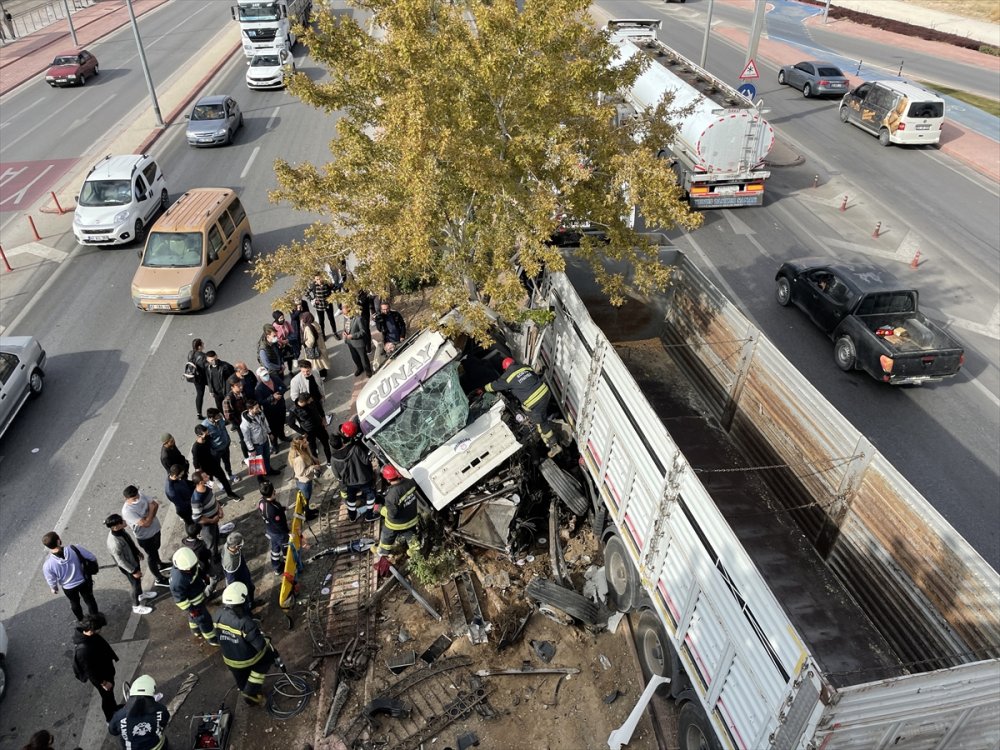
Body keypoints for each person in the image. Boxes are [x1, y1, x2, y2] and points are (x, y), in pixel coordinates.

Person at [485, 357, 562, 457]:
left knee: (541, 423)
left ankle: (554, 445)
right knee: (528, 408)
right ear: (514, 362)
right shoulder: (525, 367)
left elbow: (493, 386)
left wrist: (484, 387)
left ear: (505, 369)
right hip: (545, 393)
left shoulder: (507, 377)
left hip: (534, 402)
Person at [215, 582, 276, 706]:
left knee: (241, 678)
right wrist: (267, 640)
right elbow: (260, 645)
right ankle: (251, 690)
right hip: (248, 660)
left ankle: (246, 694)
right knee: (267, 657)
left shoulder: (218, 614)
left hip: (229, 660)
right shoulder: (245, 622)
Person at [42, 532, 101, 623]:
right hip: (83, 581)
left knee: (74, 603)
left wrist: (54, 588)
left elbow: (51, 579)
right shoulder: (74, 549)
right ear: (58, 541)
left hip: (68, 587)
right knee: (89, 600)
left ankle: (81, 620)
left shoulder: (48, 565)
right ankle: (95, 619)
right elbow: (92, 557)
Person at [73, 614, 122, 721]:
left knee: (110, 695)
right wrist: (104, 683)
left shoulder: (89, 636)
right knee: (106, 697)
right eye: (99, 628)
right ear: (91, 630)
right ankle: (110, 718)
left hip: (105, 670)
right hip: (102, 677)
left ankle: (114, 708)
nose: (100, 631)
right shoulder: (83, 650)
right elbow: (90, 672)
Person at [105, 515, 157, 615]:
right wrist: (133, 571)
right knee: (135, 585)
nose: (124, 521)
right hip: (129, 566)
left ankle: (141, 594)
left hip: (133, 560)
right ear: (115, 527)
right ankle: (136, 606)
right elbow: (121, 561)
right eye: (121, 522)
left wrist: (137, 552)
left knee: (137, 582)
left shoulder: (120, 531)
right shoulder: (114, 543)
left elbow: (129, 542)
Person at [121, 486, 170, 588]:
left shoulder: (141, 495)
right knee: (151, 556)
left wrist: (149, 516)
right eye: (134, 499)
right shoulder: (127, 511)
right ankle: (158, 578)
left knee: (157, 548)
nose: (137, 499)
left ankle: (160, 564)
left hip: (155, 529)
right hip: (145, 537)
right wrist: (150, 512)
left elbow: (155, 505)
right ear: (126, 499)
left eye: (137, 496)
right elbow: (145, 524)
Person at [169, 547, 218, 645]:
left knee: (194, 618)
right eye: (187, 569)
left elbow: (196, 571)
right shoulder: (177, 581)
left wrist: (204, 577)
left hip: (197, 596)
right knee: (204, 620)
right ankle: (212, 638)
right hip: (193, 603)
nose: (189, 570)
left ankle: (196, 630)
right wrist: (192, 610)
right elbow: (180, 600)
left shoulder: (189, 565)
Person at [108, 674, 171, 749]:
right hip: (157, 746)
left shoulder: (120, 716)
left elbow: (112, 731)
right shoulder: (160, 709)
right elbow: (164, 721)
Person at [331, 421, 376, 521]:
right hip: (363, 478)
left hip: (349, 482)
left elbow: (337, 475)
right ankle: (369, 515)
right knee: (371, 495)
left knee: (351, 499)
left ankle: (352, 516)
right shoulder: (355, 448)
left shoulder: (333, 459)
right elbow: (366, 461)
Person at [376, 465, 421, 558]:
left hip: (398, 523)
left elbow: (392, 515)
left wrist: (380, 509)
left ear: (387, 480)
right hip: (412, 518)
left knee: (387, 532)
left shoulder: (391, 497)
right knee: (410, 533)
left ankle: (384, 551)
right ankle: (416, 550)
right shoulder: (410, 482)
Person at [192, 425, 239, 499]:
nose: (207, 434)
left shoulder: (207, 438)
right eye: (204, 433)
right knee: (209, 485)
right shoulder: (196, 448)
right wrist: (201, 474)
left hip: (214, 464)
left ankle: (230, 493)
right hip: (206, 470)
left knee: (223, 479)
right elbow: (195, 463)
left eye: (206, 431)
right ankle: (213, 500)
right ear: (198, 435)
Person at [191, 471, 225, 564]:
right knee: (211, 544)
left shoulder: (208, 487)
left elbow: (214, 499)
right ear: (201, 482)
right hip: (207, 526)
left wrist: (219, 509)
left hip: (215, 520)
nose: (208, 476)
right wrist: (211, 520)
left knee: (216, 536)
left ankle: (216, 551)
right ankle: (214, 559)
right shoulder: (197, 499)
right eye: (205, 477)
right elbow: (197, 518)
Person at [287, 393, 332, 463]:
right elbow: (290, 423)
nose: (311, 401)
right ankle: (317, 465)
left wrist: (324, 419)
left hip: (319, 426)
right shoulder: (294, 410)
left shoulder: (312, 401)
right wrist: (302, 432)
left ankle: (329, 461)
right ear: (304, 401)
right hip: (308, 432)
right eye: (309, 401)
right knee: (312, 449)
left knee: (326, 443)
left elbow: (320, 408)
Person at [257, 481, 289, 576]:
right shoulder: (273, 509)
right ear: (273, 492)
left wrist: (282, 509)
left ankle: (277, 568)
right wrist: (287, 533)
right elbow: (279, 525)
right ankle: (288, 565)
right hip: (279, 533)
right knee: (286, 549)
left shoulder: (261, 501)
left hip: (270, 530)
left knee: (275, 549)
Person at [241, 399, 279, 478]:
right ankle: (261, 479)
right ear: (250, 409)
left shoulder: (260, 413)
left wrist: (269, 433)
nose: (259, 409)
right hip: (256, 445)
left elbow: (265, 423)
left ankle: (268, 471)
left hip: (265, 440)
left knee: (267, 458)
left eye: (258, 407)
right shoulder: (245, 423)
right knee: (257, 463)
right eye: (256, 408)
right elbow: (246, 438)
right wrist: (251, 450)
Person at [255, 367, 288, 451]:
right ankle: (275, 444)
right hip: (270, 412)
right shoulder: (259, 389)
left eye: (266, 374)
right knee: (273, 428)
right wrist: (272, 397)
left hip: (281, 406)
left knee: (281, 423)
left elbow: (284, 387)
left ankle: (282, 436)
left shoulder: (275, 378)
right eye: (264, 375)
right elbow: (260, 401)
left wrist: (279, 394)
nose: (266, 376)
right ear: (259, 377)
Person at [202, 408, 238, 484]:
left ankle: (230, 474)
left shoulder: (220, 420)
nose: (220, 416)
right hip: (216, 451)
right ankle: (221, 481)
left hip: (225, 445)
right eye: (218, 416)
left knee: (227, 462)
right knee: (217, 467)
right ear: (211, 418)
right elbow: (206, 442)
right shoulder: (205, 426)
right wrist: (212, 451)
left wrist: (228, 440)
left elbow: (224, 429)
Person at [221, 533, 255, 610]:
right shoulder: (231, 563)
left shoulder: (227, 545)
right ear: (236, 546)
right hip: (240, 582)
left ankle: (251, 603)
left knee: (251, 589)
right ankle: (249, 610)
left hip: (243, 574)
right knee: (244, 600)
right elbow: (231, 580)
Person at [181, 522, 218, 592]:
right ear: (198, 534)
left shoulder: (184, 542)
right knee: (214, 578)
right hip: (203, 566)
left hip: (192, 566)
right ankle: (208, 592)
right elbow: (208, 554)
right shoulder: (200, 546)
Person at [222, 375, 251, 460]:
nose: (241, 387)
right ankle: (246, 457)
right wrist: (238, 423)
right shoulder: (228, 400)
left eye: (241, 385)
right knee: (243, 439)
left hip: (247, 418)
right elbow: (228, 416)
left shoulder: (242, 393)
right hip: (239, 423)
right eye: (238, 386)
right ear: (232, 387)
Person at [288, 436, 323, 505]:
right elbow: (301, 473)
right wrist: (313, 467)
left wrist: (314, 458)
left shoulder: (303, 449)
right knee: (306, 499)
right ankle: (307, 513)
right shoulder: (299, 459)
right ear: (300, 446)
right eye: (305, 442)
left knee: (307, 498)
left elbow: (309, 455)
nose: (308, 442)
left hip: (308, 479)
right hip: (304, 482)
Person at [342, 303, 372, 377]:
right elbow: (346, 327)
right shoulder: (345, 317)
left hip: (358, 342)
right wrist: (344, 332)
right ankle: (360, 368)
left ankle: (368, 370)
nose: (342, 309)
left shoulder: (358, 318)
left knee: (363, 358)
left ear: (349, 309)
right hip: (350, 342)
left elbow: (363, 332)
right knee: (355, 357)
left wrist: (352, 336)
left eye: (343, 308)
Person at [299, 312, 329, 379]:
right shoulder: (315, 323)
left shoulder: (308, 327)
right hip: (320, 345)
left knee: (316, 364)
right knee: (322, 361)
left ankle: (321, 376)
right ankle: (324, 373)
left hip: (314, 348)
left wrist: (305, 342)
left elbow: (311, 341)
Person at [307, 271, 336, 338]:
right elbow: (306, 293)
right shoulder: (313, 286)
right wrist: (312, 300)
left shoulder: (327, 283)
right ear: (314, 280)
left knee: (331, 319)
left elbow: (334, 289)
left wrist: (332, 296)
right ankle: (323, 335)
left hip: (328, 304)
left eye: (320, 278)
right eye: (317, 279)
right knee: (321, 321)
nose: (319, 280)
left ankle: (335, 332)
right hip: (319, 306)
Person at [187, 338, 209, 418]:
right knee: (216, 391)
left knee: (199, 394)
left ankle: (199, 413)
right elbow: (206, 368)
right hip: (203, 377)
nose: (203, 344)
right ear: (199, 346)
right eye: (202, 343)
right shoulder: (203, 356)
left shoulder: (190, 353)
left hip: (195, 377)